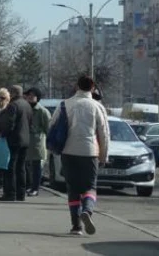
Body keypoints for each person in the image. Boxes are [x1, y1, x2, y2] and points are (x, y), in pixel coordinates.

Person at [50, 76, 109, 236]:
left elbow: (52, 125)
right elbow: (104, 133)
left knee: (73, 189)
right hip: (90, 152)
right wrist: (103, 156)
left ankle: (76, 226)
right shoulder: (97, 106)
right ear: (92, 88)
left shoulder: (65, 104)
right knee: (90, 187)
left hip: (68, 152)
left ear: (77, 86)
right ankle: (88, 210)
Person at [0, 85, 32, 202]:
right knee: (21, 167)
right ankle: (21, 194)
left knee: (10, 167)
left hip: (14, 139)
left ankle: (10, 193)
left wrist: (4, 134)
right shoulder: (27, 105)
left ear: (12, 93)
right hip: (25, 140)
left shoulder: (13, 105)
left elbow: (10, 123)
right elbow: (29, 122)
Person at [25, 87, 50, 197]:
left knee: (36, 166)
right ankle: (28, 186)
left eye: (33, 95)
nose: (30, 97)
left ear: (37, 97)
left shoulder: (42, 111)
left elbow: (48, 128)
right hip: (25, 141)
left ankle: (35, 188)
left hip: (37, 142)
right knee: (26, 166)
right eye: (29, 95)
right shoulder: (25, 109)